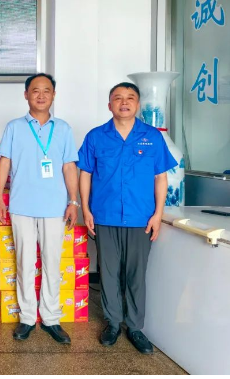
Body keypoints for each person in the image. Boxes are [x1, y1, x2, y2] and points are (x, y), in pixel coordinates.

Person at [78, 82, 177, 354]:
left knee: (136, 274)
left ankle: (135, 327)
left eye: (130, 98)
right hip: (105, 215)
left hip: (140, 217)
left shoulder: (152, 137)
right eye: (118, 98)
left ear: (138, 105)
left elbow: (160, 177)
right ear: (109, 105)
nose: (124, 102)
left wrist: (158, 214)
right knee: (108, 273)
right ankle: (112, 323)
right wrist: (86, 209)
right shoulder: (96, 136)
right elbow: (85, 174)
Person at [0, 73, 79, 344]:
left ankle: (52, 318)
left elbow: (69, 166)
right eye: (35, 90)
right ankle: (28, 318)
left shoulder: (63, 129)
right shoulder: (14, 127)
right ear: (26, 95)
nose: (41, 95)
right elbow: (4, 162)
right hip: (21, 205)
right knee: (25, 263)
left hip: (55, 206)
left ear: (53, 95)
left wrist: (73, 201)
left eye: (46, 91)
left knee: (52, 263)